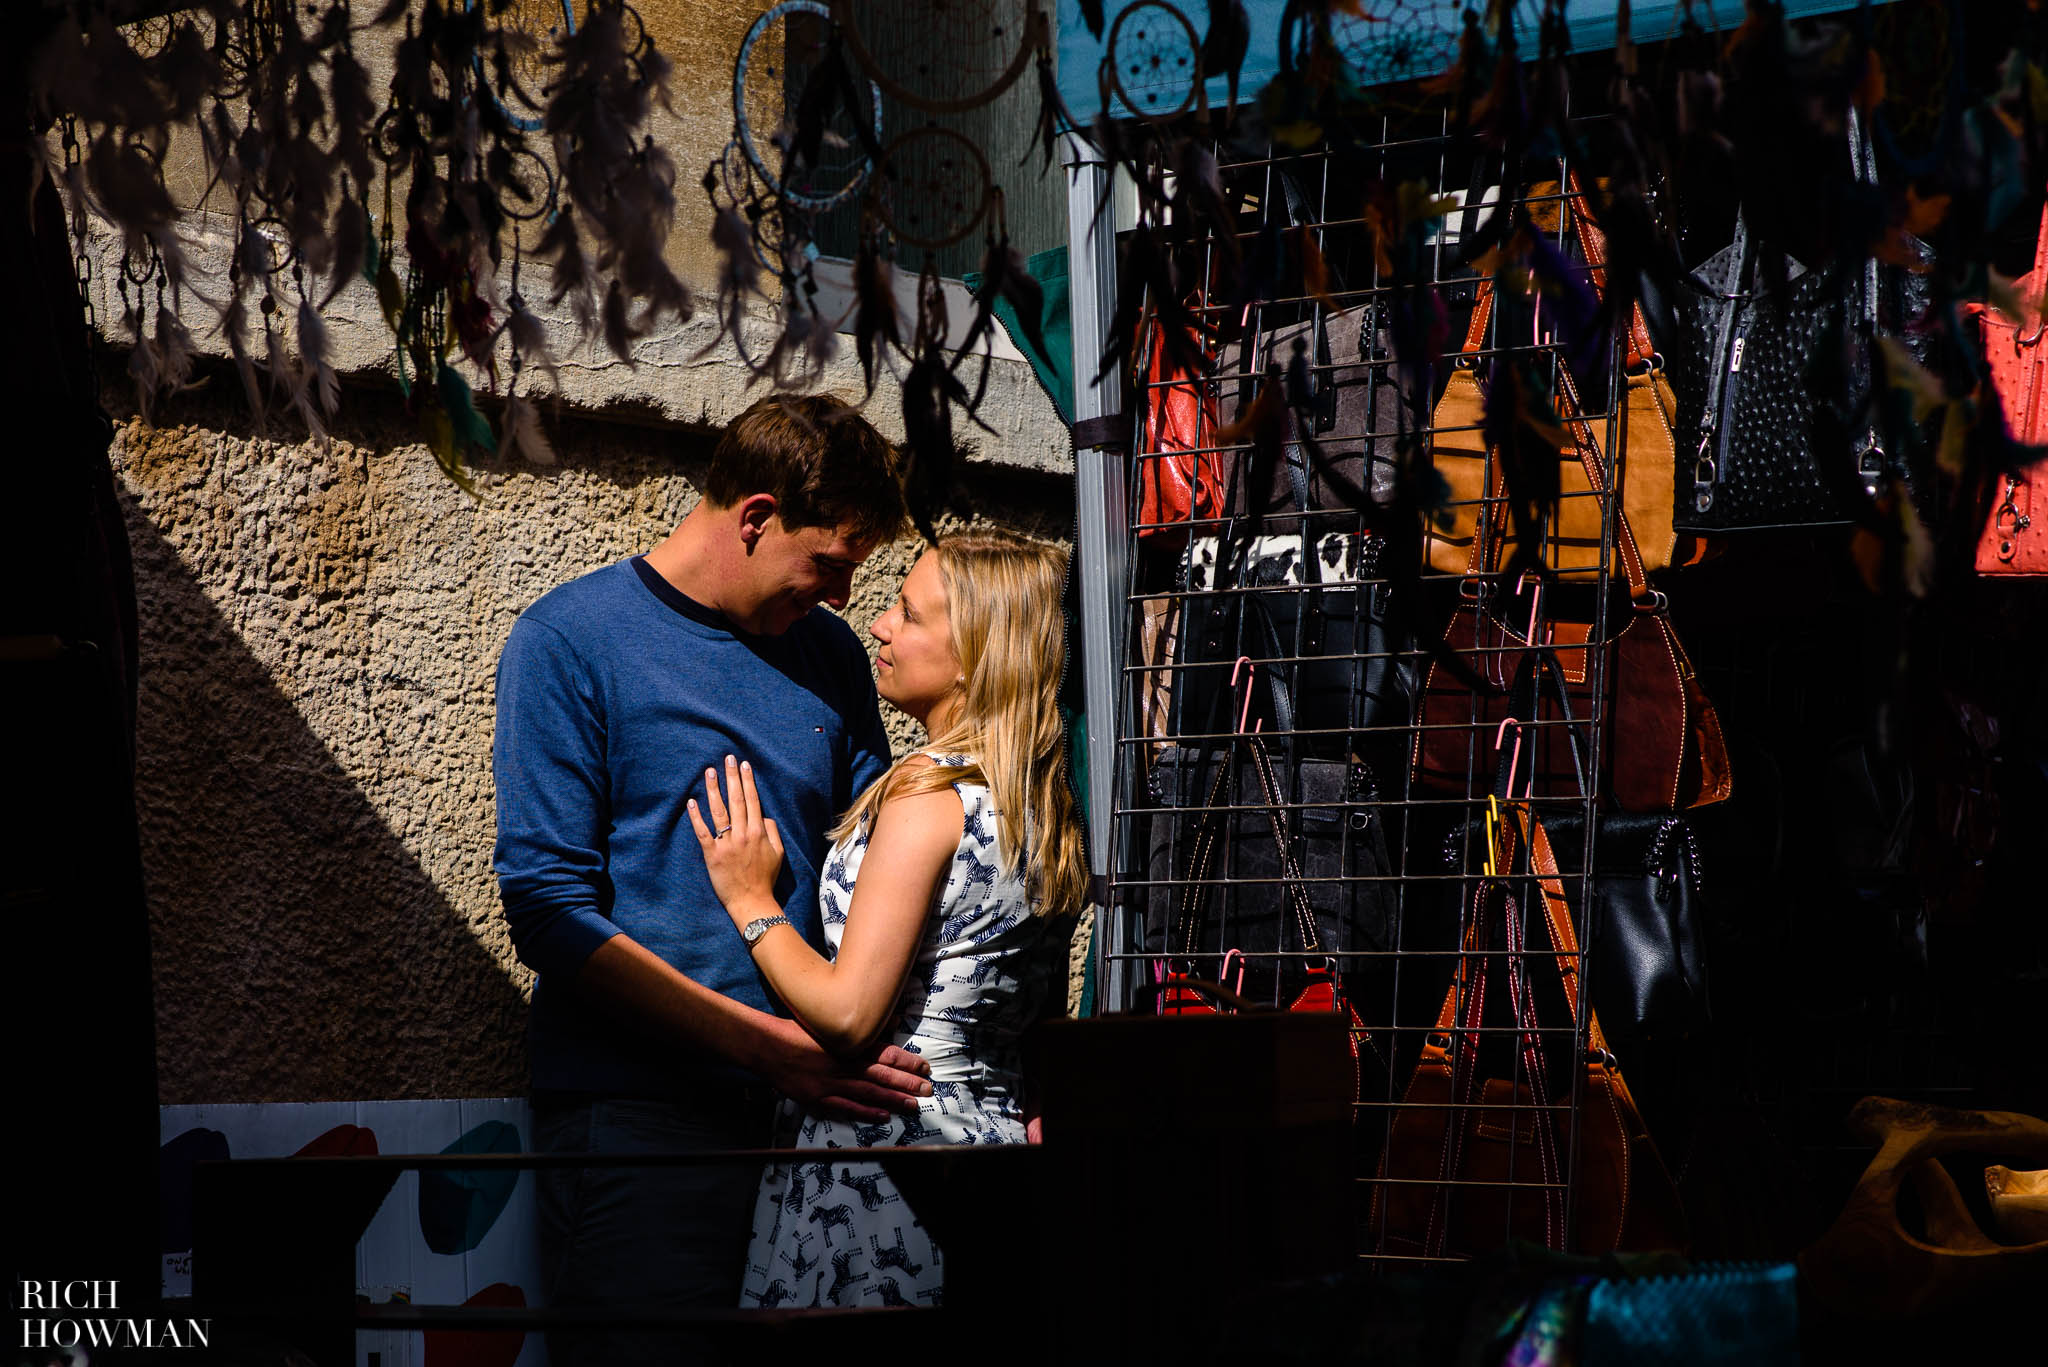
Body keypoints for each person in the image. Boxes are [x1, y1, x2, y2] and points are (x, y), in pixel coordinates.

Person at [492, 394, 934, 1360]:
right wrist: (760, 1044)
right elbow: (546, 912)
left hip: (813, 1114)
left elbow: (873, 863)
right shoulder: (570, 642)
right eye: (828, 565)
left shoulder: (827, 655)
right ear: (754, 516)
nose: (841, 598)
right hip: (642, 1125)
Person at [688, 531, 1085, 1310]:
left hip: (884, 1167)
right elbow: (1038, 1017)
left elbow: (847, 1013)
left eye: (908, 612)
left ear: (973, 653)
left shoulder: (927, 792)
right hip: (995, 1163)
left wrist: (751, 901)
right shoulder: (1043, 807)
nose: (878, 625)